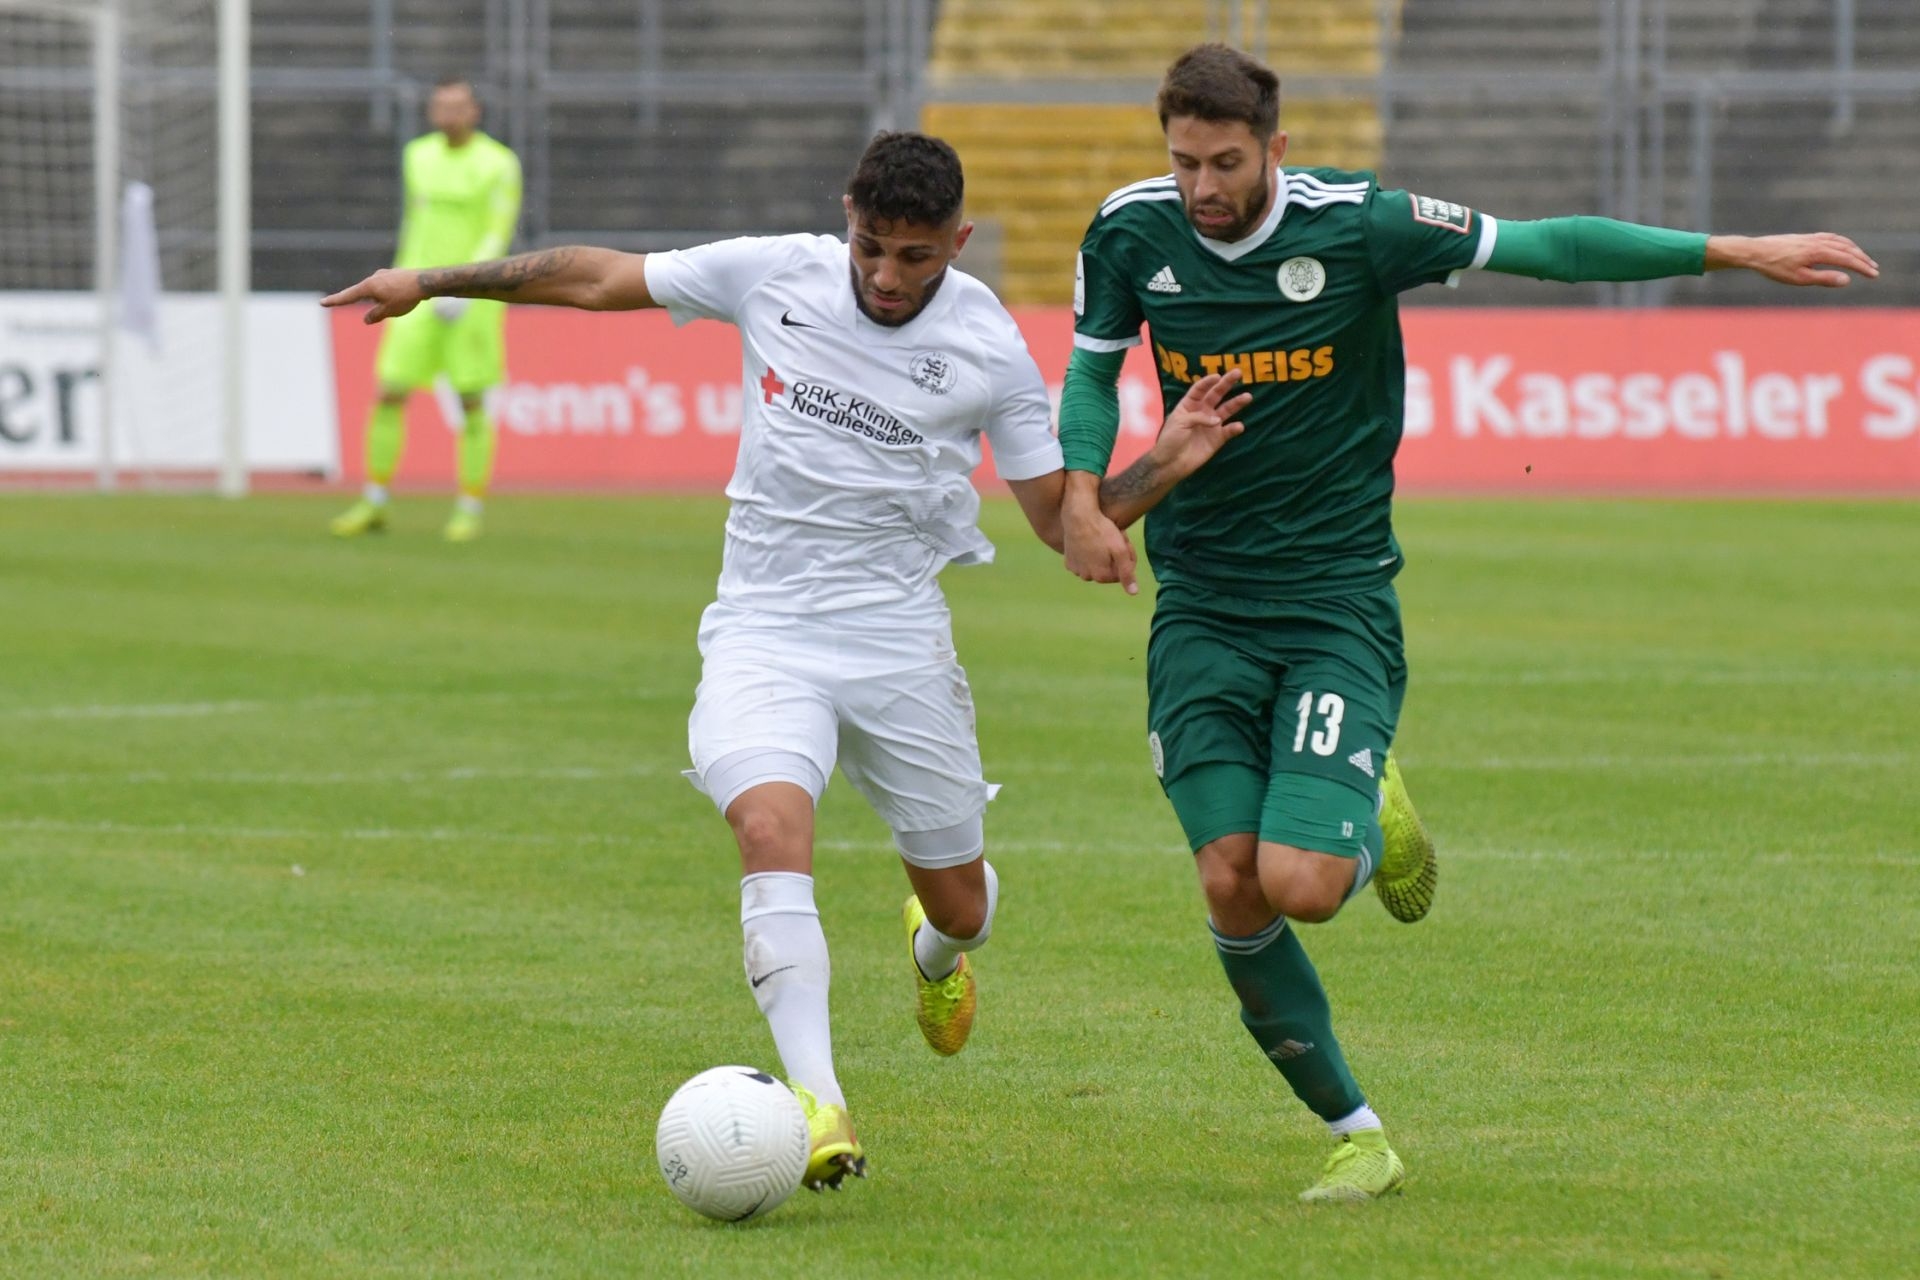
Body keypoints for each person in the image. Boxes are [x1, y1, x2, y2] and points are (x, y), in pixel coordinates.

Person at [322, 130, 1246, 1190]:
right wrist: (427, 280)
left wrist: (1159, 465)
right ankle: (819, 1104)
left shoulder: (987, 343)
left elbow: (1058, 519)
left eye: (915, 256)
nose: (886, 275)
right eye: (870, 247)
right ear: (847, 217)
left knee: (963, 906)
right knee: (769, 827)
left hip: (898, 641)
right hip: (763, 628)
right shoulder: (775, 273)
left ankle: (935, 950)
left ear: (957, 243)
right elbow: (597, 277)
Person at [1056, 43, 1878, 1203]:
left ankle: (1370, 803)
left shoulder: (1360, 226)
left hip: (1335, 600)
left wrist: (1733, 248)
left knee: (1300, 882)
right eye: (1185, 161)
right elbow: (1091, 372)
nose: (1202, 186)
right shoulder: (1130, 231)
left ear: (1276, 149)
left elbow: (1549, 245)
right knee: (1231, 882)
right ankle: (1358, 1132)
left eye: (1225, 162)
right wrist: (1086, 496)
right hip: (1201, 605)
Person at [331, 76, 522, 543]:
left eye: (457, 106)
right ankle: (374, 501)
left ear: (475, 111)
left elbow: (497, 231)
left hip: (470, 299)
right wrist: (404, 277)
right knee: (389, 391)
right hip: (413, 294)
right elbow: (415, 225)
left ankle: (469, 509)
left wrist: (464, 284)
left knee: (470, 401)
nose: (447, 114)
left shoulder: (498, 163)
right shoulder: (417, 155)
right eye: (441, 106)